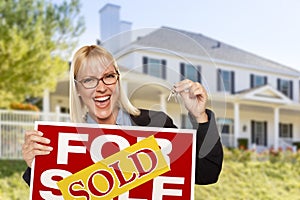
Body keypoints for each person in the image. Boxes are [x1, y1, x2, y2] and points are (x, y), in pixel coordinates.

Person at [22, 45, 223, 186]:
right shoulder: (63, 143)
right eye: (89, 80)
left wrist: (200, 116)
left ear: (117, 81)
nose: (101, 88)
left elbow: (207, 172)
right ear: (78, 89)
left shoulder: (155, 125)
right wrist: (37, 167)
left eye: (108, 76)